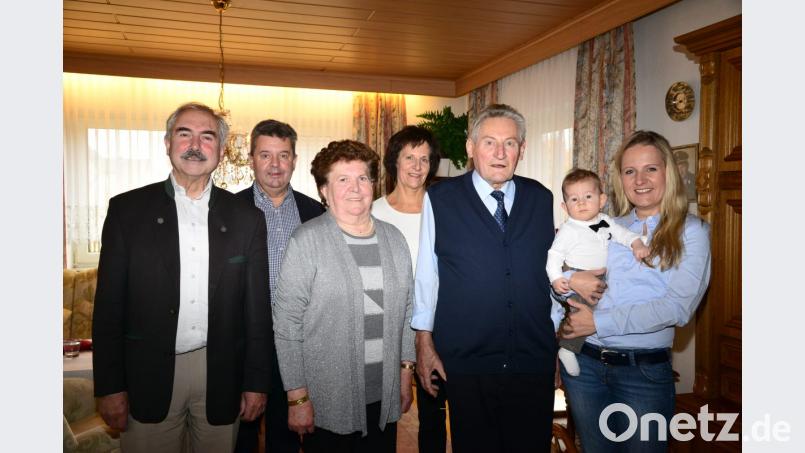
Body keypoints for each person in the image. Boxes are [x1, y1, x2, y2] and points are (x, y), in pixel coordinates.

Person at [92, 102, 271, 452]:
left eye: (207, 137)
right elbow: (109, 306)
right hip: (147, 372)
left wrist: (256, 382)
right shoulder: (127, 211)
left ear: (220, 151)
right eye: (184, 133)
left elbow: (257, 311)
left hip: (220, 371)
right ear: (167, 142)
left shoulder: (247, 218)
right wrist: (109, 386)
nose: (195, 144)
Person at [412, 104, 557, 452]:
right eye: (489, 142)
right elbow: (427, 274)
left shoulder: (541, 198)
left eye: (510, 144)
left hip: (531, 359)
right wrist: (423, 341)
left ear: (521, 150)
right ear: (470, 148)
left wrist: (557, 341)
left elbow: (552, 274)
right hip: (467, 361)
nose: (499, 153)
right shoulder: (441, 198)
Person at [559, 130, 711, 452]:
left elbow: (677, 308)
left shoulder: (692, 231)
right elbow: (567, 279)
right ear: (620, 179)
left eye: (650, 169)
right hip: (583, 364)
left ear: (668, 172)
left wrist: (599, 323)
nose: (640, 179)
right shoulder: (606, 226)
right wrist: (571, 281)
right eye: (630, 171)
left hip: (641, 372)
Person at [273, 140, 416, 453]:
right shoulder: (306, 240)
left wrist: (406, 372)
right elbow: (286, 325)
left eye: (363, 178)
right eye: (343, 179)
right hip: (328, 401)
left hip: (383, 397)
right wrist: (297, 397)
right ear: (324, 189)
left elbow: (407, 312)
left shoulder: (395, 239)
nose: (356, 188)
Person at [234, 119, 325, 453]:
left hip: (298, 343)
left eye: (283, 156)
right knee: (241, 434)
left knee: (287, 434)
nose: (275, 165)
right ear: (251, 159)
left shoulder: (315, 211)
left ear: (295, 160)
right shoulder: (228, 210)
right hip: (245, 344)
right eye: (265, 155)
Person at [371, 125, 447, 453]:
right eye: (409, 157)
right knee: (385, 413)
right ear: (394, 162)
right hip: (387, 327)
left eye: (425, 159)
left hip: (437, 325)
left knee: (433, 413)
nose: (417, 166)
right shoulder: (372, 211)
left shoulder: (445, 210)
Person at [547, 168, 650, 377]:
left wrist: (637, 243)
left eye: (588, 196)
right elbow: (554, 255)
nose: (582, 203)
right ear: (564, 207)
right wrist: (557, 278)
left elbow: (623, 234)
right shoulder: (569, 229)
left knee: (604, 308)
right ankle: (567, 348)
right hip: (577, 274)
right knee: (581, 312)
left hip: (603, 277)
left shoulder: (605, 221)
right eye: (574, 199)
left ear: (601, 199)